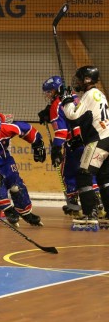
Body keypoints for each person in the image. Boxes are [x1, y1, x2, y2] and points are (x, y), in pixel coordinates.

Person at [38, 75, 104, 218]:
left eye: (49, 92)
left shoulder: (56, 105)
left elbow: (61, 131)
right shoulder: (75, 96)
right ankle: (99, 203)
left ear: (56, 90)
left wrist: (56, 149)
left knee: (69, 172)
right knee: (89, 172)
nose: (47, 95)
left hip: (73, 145)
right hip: (89, 141)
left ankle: (74, 204)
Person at [61, 65, 109, 230]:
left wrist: (67, 100)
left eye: (80, 79)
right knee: (104, 179)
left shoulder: (89, 95)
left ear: (87, 80)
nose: (78, 82)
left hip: (98, 140)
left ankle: (90, 215)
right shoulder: (99, 94)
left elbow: (73, 116)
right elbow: (89, 119)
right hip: (107, 138)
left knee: (84, 175)